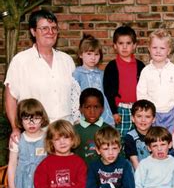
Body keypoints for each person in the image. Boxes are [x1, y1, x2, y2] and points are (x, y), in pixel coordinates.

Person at [4, 9, 76, 141]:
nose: (50, 32)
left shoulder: (67, 60)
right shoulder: (20, 61)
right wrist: (15, 128)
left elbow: (75, 97)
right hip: (36, 135)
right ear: (33, 31)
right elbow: (11, 97)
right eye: (44, 28)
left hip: (66, 134)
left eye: (54, 28)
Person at [136, 29, 174, 133]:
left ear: (169, 50)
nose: (158, 51)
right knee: (155, 139)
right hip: (153, 113)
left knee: (172, 139)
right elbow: (141, 93)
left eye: (162, 48)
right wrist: (146, 111)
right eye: (154, 47)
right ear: (149, 49)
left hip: (172, 112)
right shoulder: (146, 71)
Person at [103, 25, 145, 141]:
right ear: (115, 46)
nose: (125, 47)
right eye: (121, 43)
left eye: (128, 43)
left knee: (139, 138)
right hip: (121, 110)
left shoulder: (140, 66)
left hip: (138, 109)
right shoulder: (111, 67)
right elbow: (108, 91)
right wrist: (114, 112)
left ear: (134, 45)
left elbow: (146, 88)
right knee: (121, 138)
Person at [73, 34, 114, 126]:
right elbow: (74, 97)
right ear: (80, 54)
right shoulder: (77, 73)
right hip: (86, 112)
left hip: (103, 112)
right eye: (89, 54)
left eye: (96, 54)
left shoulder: (102, 74)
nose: (93, 57)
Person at [74, 88, 110, 165]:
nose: (92, 112)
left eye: (96, 107)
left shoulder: (109, 130)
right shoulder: (74, 131)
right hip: (81, 175)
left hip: (104, 175)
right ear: (80, 109)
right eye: (87, 107)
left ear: (102, 109)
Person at [124, 100, 156, 169]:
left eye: (147, 117)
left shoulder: (157, 135)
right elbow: (134, 161)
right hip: (137, 171)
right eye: (139, 116)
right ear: (132, 118)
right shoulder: (130, 137)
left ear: (153, 119)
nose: (143, 120)